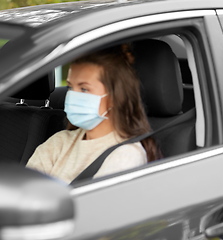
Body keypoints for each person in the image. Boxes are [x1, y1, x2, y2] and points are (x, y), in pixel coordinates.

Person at [26, 44, 161, 184]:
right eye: (70, 87)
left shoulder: (126, 154)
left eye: (84, 89)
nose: (72, 96)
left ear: (116, 97)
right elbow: (24, 191)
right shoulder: (58, 142)